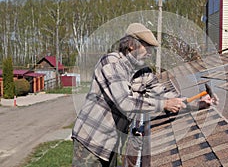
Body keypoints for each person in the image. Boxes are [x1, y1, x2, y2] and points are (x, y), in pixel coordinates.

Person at [71, 23, 217, 167]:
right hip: (90, 142)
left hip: (111, 145)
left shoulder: (143, 72)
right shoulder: (110, 64)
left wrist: (198, 103)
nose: (149, 53)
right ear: (131, 45)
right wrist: (165, 104)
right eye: (147, 47)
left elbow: (165, 95)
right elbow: (125, 103)